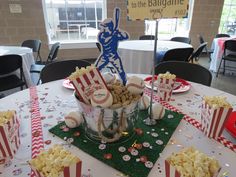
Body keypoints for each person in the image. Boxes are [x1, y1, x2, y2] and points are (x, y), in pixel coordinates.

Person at [95, 8, 129, 85]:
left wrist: (119, 31)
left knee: (121, 71)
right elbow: (104, 41)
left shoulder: (115, 34)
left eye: (104, 26)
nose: (102, 28)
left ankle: (124, 84)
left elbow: (126, 36)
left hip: (114, 56)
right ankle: (93, 83)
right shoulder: (101, 35)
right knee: (95, 70)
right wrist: (113, 35)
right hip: (104, 56)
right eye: (102, 26)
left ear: (110, 27)